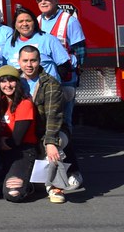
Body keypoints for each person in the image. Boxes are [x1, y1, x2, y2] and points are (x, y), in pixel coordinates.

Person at [17, 47, 79, 201]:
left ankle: (56, 187)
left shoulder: (51, 84)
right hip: (29, 133)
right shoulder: (15, 81)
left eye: (33, 60)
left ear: (39, 62)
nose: (29, 65)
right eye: (25, 61)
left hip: (52, 131)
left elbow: (54, 116)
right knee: (36, 183)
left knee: (53, 148)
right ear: (19, 62)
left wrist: (50, 142)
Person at [35, 0, 85, 133]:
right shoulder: (36, 21)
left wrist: (73, 70)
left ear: (56, 0)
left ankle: (67, 152)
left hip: (64, 78)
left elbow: (80, 51)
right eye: (40, 0)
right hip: (42, 78)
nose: (43, 2)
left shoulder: (68, 21)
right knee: (44, 118)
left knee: (63, 119)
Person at [0, 64, 40, 202]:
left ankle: (28, 185)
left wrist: (2, 141)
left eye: (11, 80)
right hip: (2, 151)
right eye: (3, 81)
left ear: (18, 83)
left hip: (22, 151)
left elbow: (16, 140)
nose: (7, 85)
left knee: (13, 194)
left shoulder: (25, 103)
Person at [3, 7, 70, 81]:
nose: (24, 24)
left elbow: (64, 66)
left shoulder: (48, 40)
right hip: (20, 90)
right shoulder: (9, 43)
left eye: (28, 21)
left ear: (34, 23)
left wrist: (54, 85)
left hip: (46, 89)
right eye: (20, 21)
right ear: (15, 25)